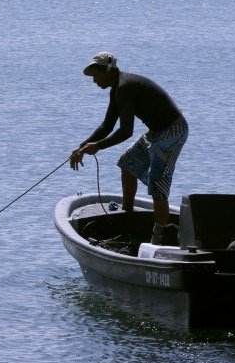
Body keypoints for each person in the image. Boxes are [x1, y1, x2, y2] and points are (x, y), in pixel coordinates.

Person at [69, 52, 189, 245]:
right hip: (156, 131)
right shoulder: (116, 89)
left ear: (108, 71)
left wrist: (98, 146)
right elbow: (107, 125)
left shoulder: (125, 87)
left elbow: (126, 131)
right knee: (127, 164)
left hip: (172, 131)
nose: (94, 81)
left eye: (96, 76)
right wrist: (81, 147)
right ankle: (128, 217)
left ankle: (161, 235)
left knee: (157, 183)